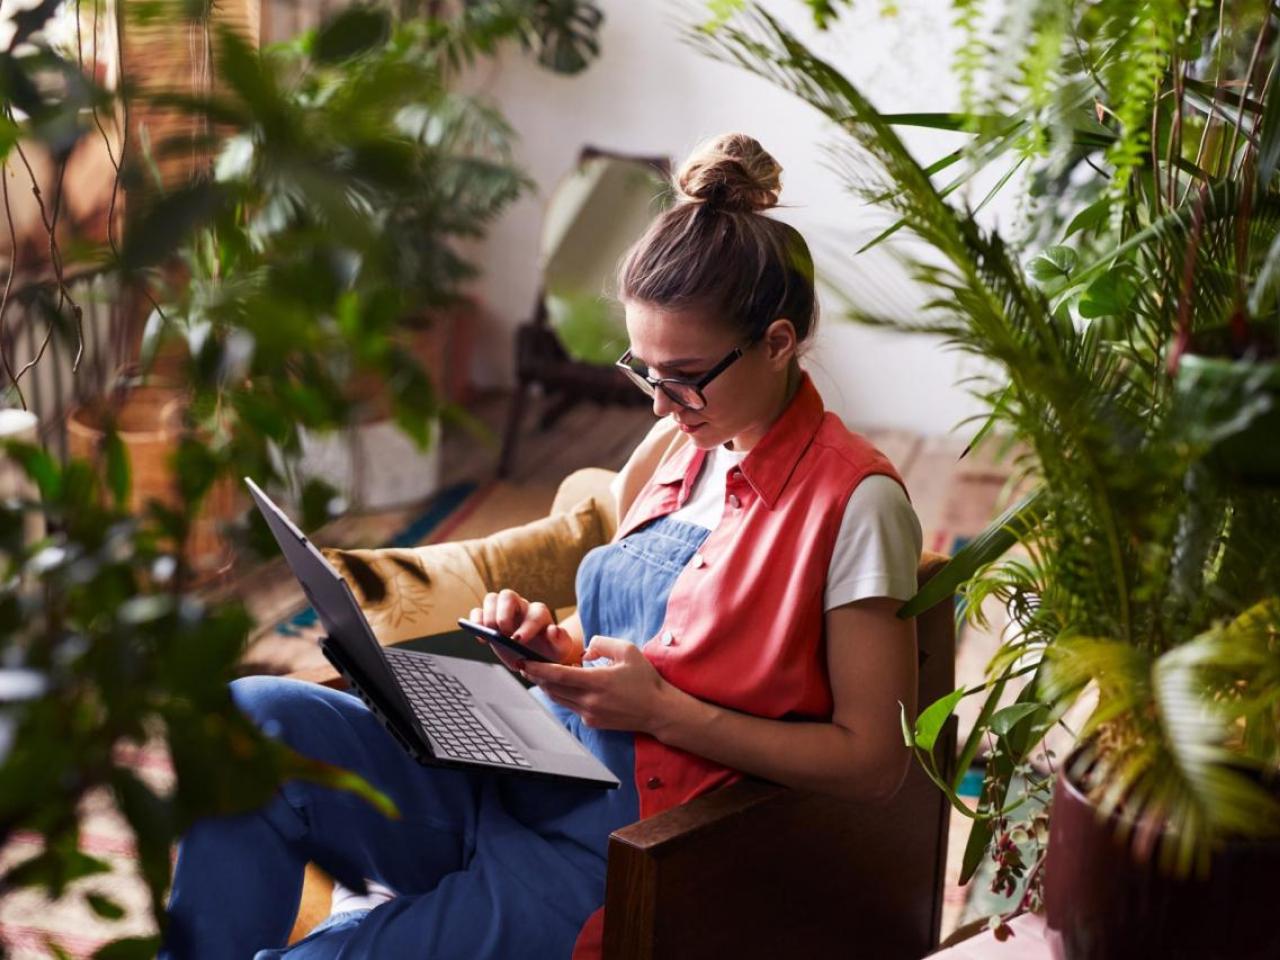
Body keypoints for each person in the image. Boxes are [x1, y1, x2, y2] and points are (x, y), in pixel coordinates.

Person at [161, 132, 922, 960]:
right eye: (645, 371)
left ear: (778, 344)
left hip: (621, 854)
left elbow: (874, 764)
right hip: (531, 771)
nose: (663, 408)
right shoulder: (677, 446)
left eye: (686, 376)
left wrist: (664, 712)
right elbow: (641, 649)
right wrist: (547, 651)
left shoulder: (857, 502)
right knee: (253, 718)